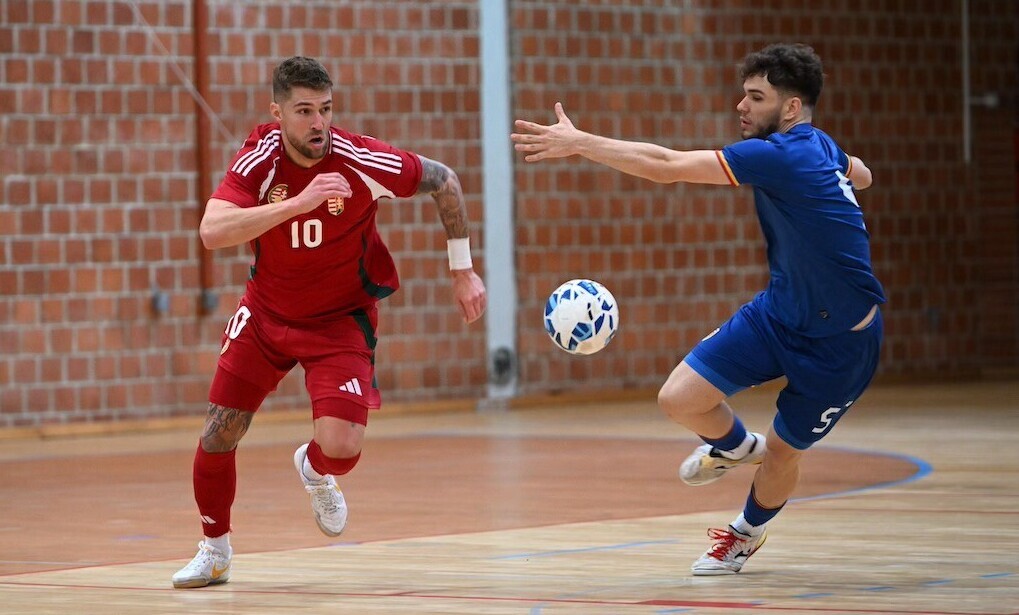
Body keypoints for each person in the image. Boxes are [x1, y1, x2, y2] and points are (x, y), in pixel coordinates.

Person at [511, 43, 884, 575]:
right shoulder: (816, 145)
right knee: (679, 398)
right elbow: (862, 173)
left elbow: (667, 166)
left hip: (842, 343)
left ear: (791, 107)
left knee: (784, 453)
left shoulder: (781, 156)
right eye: (744, 94)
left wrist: (580, 142)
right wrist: (843, 176)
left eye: (756, 97)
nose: (742, 106)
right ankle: (734, 447)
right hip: (779, 315)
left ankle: (745, 534)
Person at [172, 56, 487, 589]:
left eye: (325, 109)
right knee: (219, 432)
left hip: (339, 321)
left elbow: (445, 181)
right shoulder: (261, 157)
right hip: (266, 315)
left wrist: (463, 270)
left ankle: (314, 470)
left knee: (342, 449)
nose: (318, 123)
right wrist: (298, 204)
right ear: (277, 114)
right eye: (304, 111)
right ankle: (215, 550)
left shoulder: (360, 159)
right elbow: (212, 230)